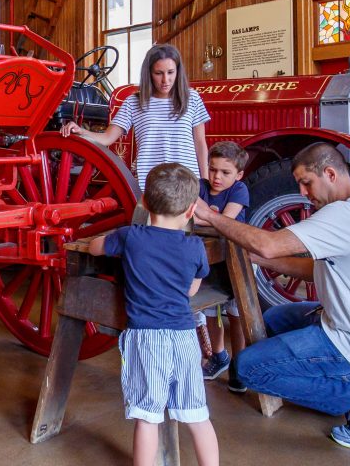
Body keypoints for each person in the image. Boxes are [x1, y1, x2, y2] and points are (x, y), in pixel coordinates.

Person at [194, 143, 350, 451]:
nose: (303, 191)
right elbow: (313, 268)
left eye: (307, 182)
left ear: (331, 174)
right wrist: (259, 261)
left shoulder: (343, 217)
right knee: (273, 319)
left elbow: (268, 244)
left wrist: (210, 216)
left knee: (248, 369)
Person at [89, 163, 219, 466]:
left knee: (147, 417)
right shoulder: (195, 246)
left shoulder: (130, 237)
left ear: (144, 202)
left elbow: (96, 247)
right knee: (197, 414)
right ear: (190, 211)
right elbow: (190, 290)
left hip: (145, 338)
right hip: (185, 338)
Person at [61, 43, 210, 190]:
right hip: (153, 186)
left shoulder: (192, 98)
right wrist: (81, 131)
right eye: (158, 73)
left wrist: (205, 182)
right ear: (149, 73)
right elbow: (107, 138)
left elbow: (200, 143)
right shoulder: (134, 102)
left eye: (170, 72)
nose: (165, 80)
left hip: (188, 184)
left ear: (178, 71)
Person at [192, 141, 250, 387]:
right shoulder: (200, 187)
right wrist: (210, 217)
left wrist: (207, 216)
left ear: (238, 174)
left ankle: (239, 365)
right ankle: (219, 356)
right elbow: (192, 215)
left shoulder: (239, 190)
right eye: (213, 169)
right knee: (210, 311)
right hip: (211, 262)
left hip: (236, 262)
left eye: (225, 172)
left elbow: (226, 220)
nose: (216, 177)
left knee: (236, 315)